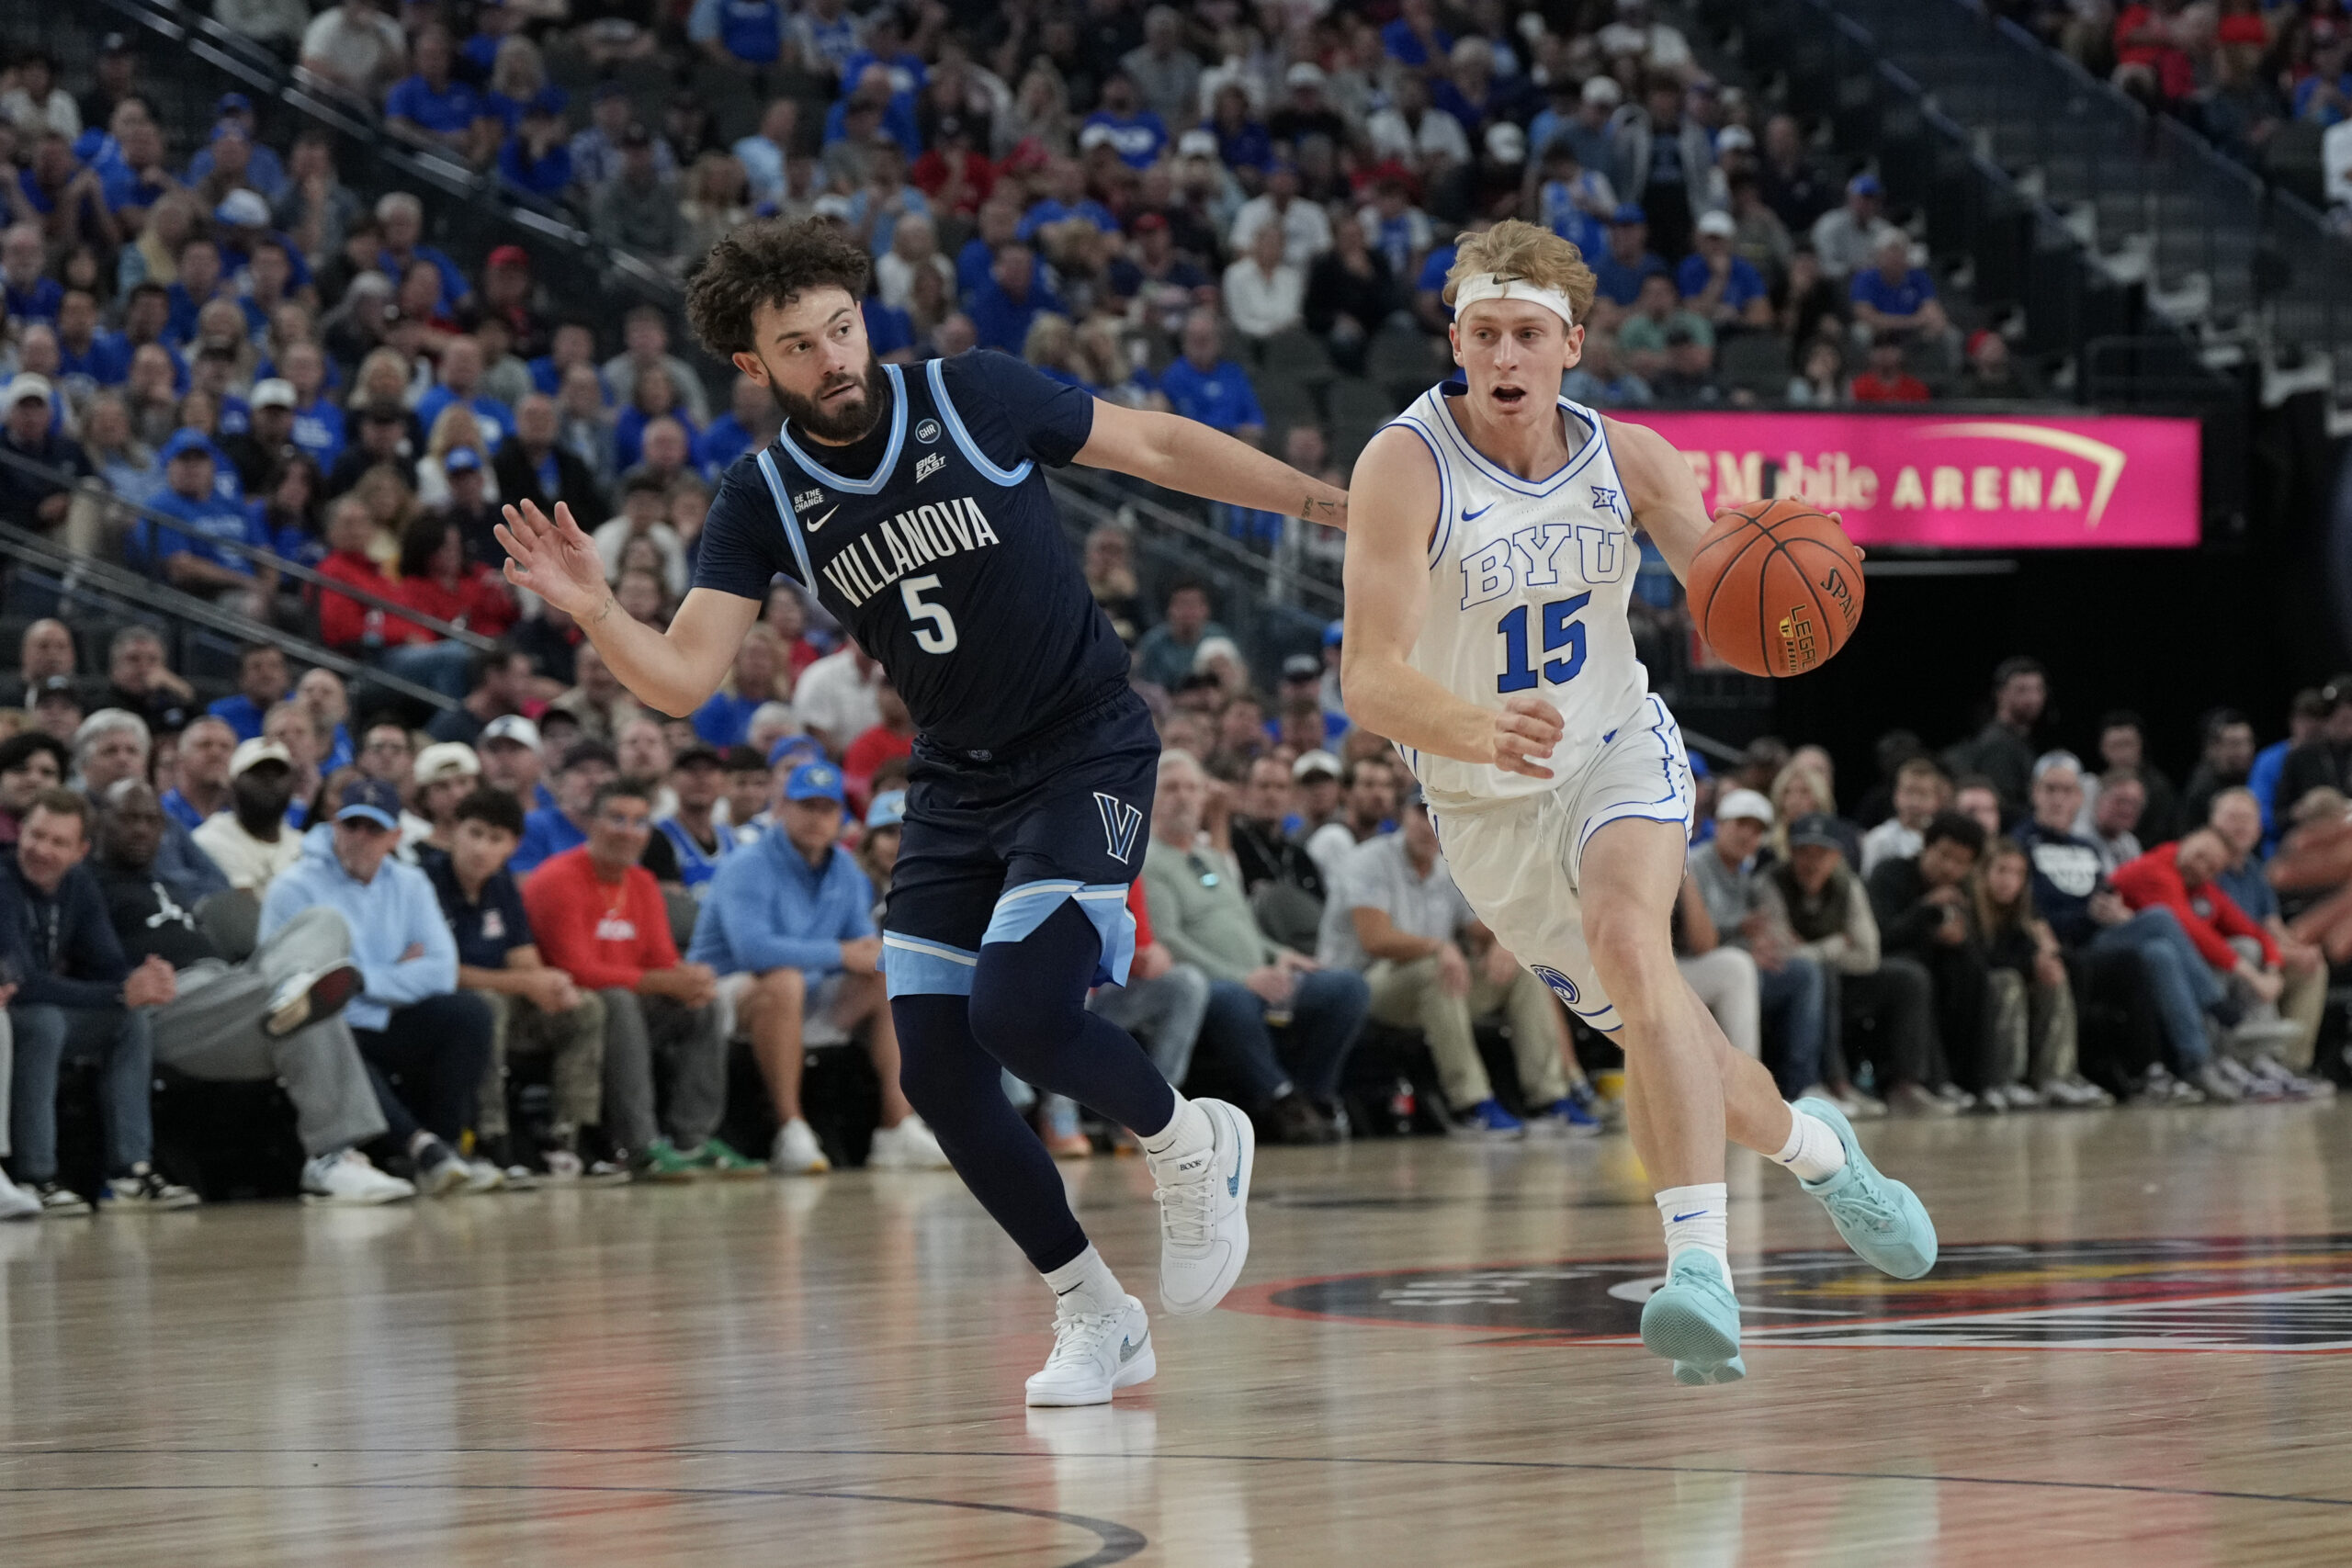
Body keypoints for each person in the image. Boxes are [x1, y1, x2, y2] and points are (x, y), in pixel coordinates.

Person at [496, 216, 1351, 1408]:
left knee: (1018, 1007)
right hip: (954, 774)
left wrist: (1329, 507)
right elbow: (685, 679)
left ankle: (1186, 1135)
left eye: (842, 328)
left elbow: (1153, 442)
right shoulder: (763, 495)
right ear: (753, 367)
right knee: (941, 1067)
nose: (833, 358)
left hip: (1084, 737)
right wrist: (595, 608)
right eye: (798, 346)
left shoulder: (971, 395)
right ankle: (1096, 1313)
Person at [1340, 219, 1934, 1386]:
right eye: (1481, 333)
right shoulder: (1401, 465)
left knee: (1632, 940)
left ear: (1572, 342)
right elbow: (1368, 676)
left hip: (1617, 749)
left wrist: (1783, 595)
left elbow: (1725, 580)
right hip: (1485, 803)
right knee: (1698, 1056)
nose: (1502, 355)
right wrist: (1470, 727)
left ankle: (1698, 1273)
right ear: (1453, 340)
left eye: (1525, 333)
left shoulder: (1636, 460)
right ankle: (1821, 1155)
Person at [91, 780, 411, 1202]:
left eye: (151, 820)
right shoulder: (86, 884)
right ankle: (332, 1157)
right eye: (129, 818)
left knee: (323, 922)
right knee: (311, 1009)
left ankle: (293, 986)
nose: (141, 829)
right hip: (167, 1007)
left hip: (228, 989)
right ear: (99, 822)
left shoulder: (169, 884)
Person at [691, 760, 948, 1172]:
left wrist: (865, 956)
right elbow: (753, 951)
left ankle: (896, 1127)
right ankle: (791, 1129)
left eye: (826, 808)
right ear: (781, 808)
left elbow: (862, 949)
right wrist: (839, 954)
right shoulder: (747, 864)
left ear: (840, 817)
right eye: (805, 805)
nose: (816, 817)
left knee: (888, 974)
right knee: (784, 981)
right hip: (718, 997)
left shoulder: (845, 869)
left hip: (804, 991)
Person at [260, 778, 495, 1196]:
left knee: (470, 1013)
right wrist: (396, 971)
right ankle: (423, 1149)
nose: (361, 839)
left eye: (375, 830)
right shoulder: (293, 887)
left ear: (396, 836)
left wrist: (362, 978)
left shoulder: (411, 883)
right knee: (341, 1039)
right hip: (328, 1024)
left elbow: (442, 970)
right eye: (352, 827)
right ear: (334, 825)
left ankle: (446, 1147)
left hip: (383, 1013)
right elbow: (291, 982)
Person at [1320, 781, 1598, 1136]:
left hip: (1433, 984)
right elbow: (1375, 939)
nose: (1426, 824)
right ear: (1403, 816)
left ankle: (1549, 1098)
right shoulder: (1367, 861)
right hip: (1360, 987)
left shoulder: (1447, 865)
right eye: (1419, 813)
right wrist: (1439, 947)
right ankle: (1471, 1104)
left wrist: (1505, 944)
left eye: (1435, 815)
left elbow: (1481, 928)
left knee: (1522, 969)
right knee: (1437, 969)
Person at [521, 778, 747, 1179]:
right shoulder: (557, 879)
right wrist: (665, 982)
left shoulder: (642, 883)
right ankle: (639, 1145)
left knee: (704, 1004)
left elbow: (660, 959)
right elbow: (578, 970)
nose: (628, 832)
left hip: (624, 1005)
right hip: (562, 1009)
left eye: (639, 822)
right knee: (618, 1001)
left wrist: (689, 978)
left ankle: (692, 1138)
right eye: (617, 819)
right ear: (591, 823)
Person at [1142, 750, 1366, 1145]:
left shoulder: (1210, 857)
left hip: (1263, 974)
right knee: (1230, 999)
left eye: (1192, 788)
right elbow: (1169, 941)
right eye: (1171, 788)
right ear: (1152, 796)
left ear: (1202, 797)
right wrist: (1246, 977)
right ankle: (1279, 1096)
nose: (1183, 797)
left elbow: (1244, 925)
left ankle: (1313, 1093)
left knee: (1349, 988)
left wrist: (1279, 954)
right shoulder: (1149, 862)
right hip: (1220, 985)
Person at [2, 789, 197, 1213]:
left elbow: (109, 963)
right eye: (35, 836)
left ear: (80, 851)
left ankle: (130, 1171)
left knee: (131, 1019)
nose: (41, 850)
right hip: (10, 1014)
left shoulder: (79, 885)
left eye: (58, 843)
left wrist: (144, 980)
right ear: (21, 833)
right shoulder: (3, 879)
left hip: (45, 1009)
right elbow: (22, 982)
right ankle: (36, 1176)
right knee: (44, 1022)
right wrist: (116, 992)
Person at [423, 788, 611, 1179]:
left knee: (586, 1008)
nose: (481, 848)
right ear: (454, 831)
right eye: (474, 833)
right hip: (441, 1008)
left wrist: (551, 983)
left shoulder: (501, 885)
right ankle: (491, 1137)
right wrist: (525, 983)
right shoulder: (426, 881)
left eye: (495, 840)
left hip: (500, 999)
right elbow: (440, 971)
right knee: (485, 1007)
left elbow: (524, 960)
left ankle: (569, 1137)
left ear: (512, 847)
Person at [1687, 790, 1835, 1105]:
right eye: (1742, 824)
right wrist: (1741, 935)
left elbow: (1757, 932)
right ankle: (1746, 1090)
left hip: (1732, 963)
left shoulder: (1743, 876)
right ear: (1720, 824)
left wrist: (1760, 946)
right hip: (1687, 965)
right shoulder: (1694, 865)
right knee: (1741, 967)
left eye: (1757, 830)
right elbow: (1692, 938)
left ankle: (1803, 1085)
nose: (1748, 835)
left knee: (1804, 972)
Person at [191, 739, 307, 893]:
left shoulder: (303, 845)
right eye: (258, 774)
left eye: (278, 774)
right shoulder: (210, 839)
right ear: (232, 784)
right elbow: (245, 908)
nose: (269, 781)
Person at [511, 739, 617, 875]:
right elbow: (523, 885)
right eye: (582, 770)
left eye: (603, 771)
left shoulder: (624, 832)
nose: (594, 780)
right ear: (560, 784)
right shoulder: (534, 826)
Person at [163, 715, 238, 831]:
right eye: (205, 745)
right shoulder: (161, 813)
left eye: (225, 747)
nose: (216, 753)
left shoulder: (243, 816)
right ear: (180, 758)